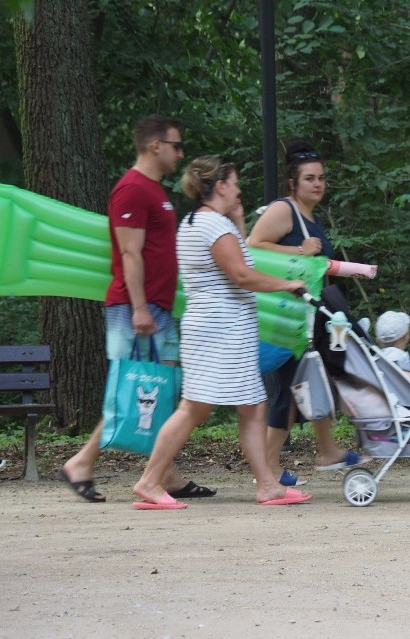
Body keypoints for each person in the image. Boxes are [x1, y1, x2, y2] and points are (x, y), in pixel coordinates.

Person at [131, 156, 312, 509]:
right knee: (194, 408)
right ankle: (150, 481)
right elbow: (242, 276)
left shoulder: (199, 222)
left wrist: (240, 221)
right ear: (220, 186)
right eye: (234, 182)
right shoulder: (213, 226)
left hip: (221, 329)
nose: (239, 188)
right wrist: (288, 283)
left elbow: (238, 262)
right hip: (220, 330)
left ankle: (267, 485)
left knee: (253, 406)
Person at [58, 114, 214, 503]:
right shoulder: (131, 189)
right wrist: (140, 308)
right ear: (154, 145)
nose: (181, 153)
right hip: (135, 310)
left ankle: (167, 474)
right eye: (176, 146)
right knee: (131, 391)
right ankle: (81, 463)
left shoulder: (155, 191)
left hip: (156, 308)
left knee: (160, 390)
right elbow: (129, 253)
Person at [247, 141, 369, 485]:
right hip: (279, 320)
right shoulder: (285, 210)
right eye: (310, 179)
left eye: (321, 178)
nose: (317, 184)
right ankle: (278, 466)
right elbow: (252, 245)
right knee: (290, 386)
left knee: (295, 387)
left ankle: (284, 464)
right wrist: (298, 248)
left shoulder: (311, 216)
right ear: (293, 183)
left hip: (304, 320)